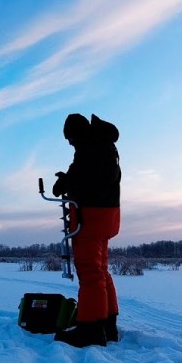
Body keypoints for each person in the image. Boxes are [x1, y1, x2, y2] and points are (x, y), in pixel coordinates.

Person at [51, 113, 121, 348]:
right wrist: (68, 179)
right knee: (101, 271)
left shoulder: (91, 147)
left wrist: (68, 183)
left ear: (78, 133)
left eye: (70, 138)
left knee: (90, 273)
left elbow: (91, 181)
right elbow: (87, 176)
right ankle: (107, 325)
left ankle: (91, 329)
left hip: (91, 218)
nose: (70, 143)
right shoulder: (101, 145)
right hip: (105, 217)